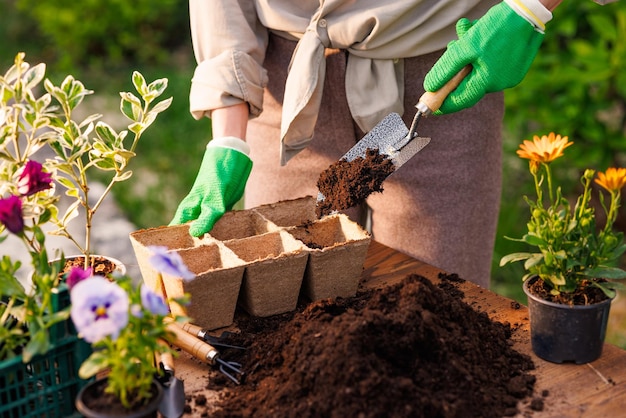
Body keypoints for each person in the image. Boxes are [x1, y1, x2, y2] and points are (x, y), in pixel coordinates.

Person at [171, 0, 563, 288]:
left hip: (443, 72)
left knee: (436, 314)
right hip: (290, 86)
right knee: (285, 309)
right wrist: (228, 135)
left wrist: (530, 8)